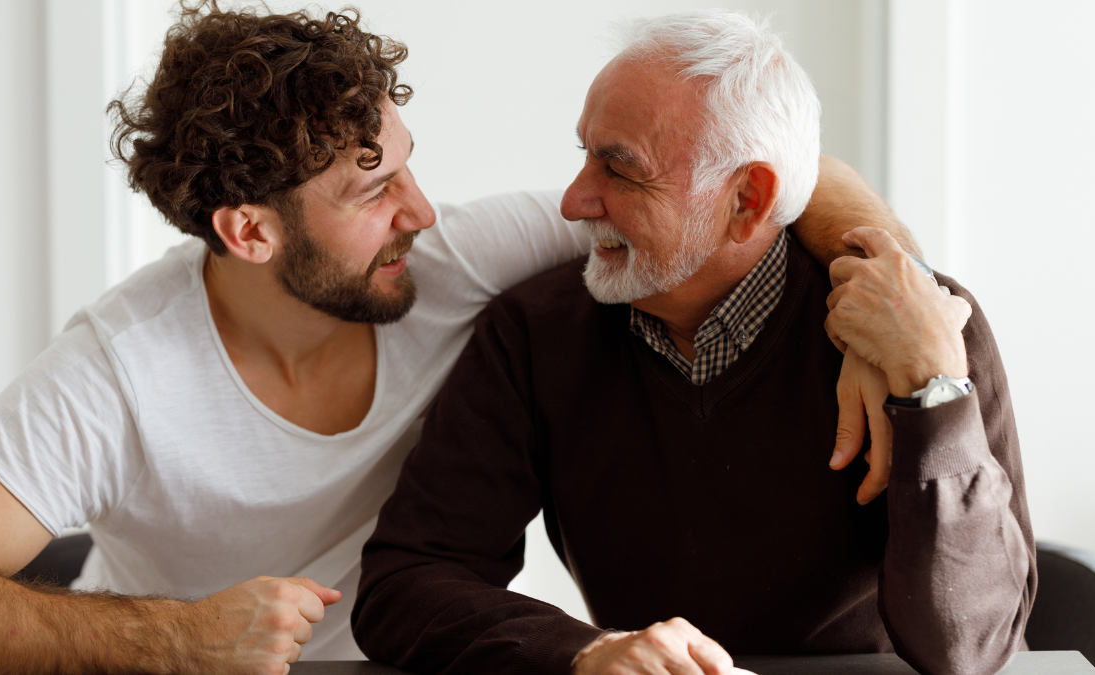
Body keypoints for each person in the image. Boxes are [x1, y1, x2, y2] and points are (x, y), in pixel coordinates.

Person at [0, 4, 916, 674]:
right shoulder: (117, 373)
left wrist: (889, 302)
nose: (423, 211)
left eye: (406, 165)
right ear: (249, 231)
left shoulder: (451, 261)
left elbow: (770, 171)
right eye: (373, 188)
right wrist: (173, 640)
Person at [352, 10, 1034, 675]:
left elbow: (968, 649)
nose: (573, 200)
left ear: (747, 199)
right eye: (584, 155)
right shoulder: (536, 332)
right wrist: (584, 651)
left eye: (619, 170)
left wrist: (933, 390)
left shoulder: (923, 328)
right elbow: (406, 581)